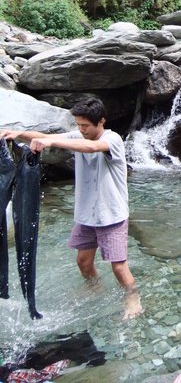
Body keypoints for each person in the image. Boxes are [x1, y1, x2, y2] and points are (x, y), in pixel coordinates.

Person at [0, 97, 142, 320]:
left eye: (85, 125)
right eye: (78, 125)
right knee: (83, 262)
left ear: (101, 121)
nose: (81, 130)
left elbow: (91, 147)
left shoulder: (112, 139)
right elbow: (47, 137)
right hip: (87, 215)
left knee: (118, 267)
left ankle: (133, 298)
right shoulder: (78, 136)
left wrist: (52, 144)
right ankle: (95, 287)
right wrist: (18, 133)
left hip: (111, 215)